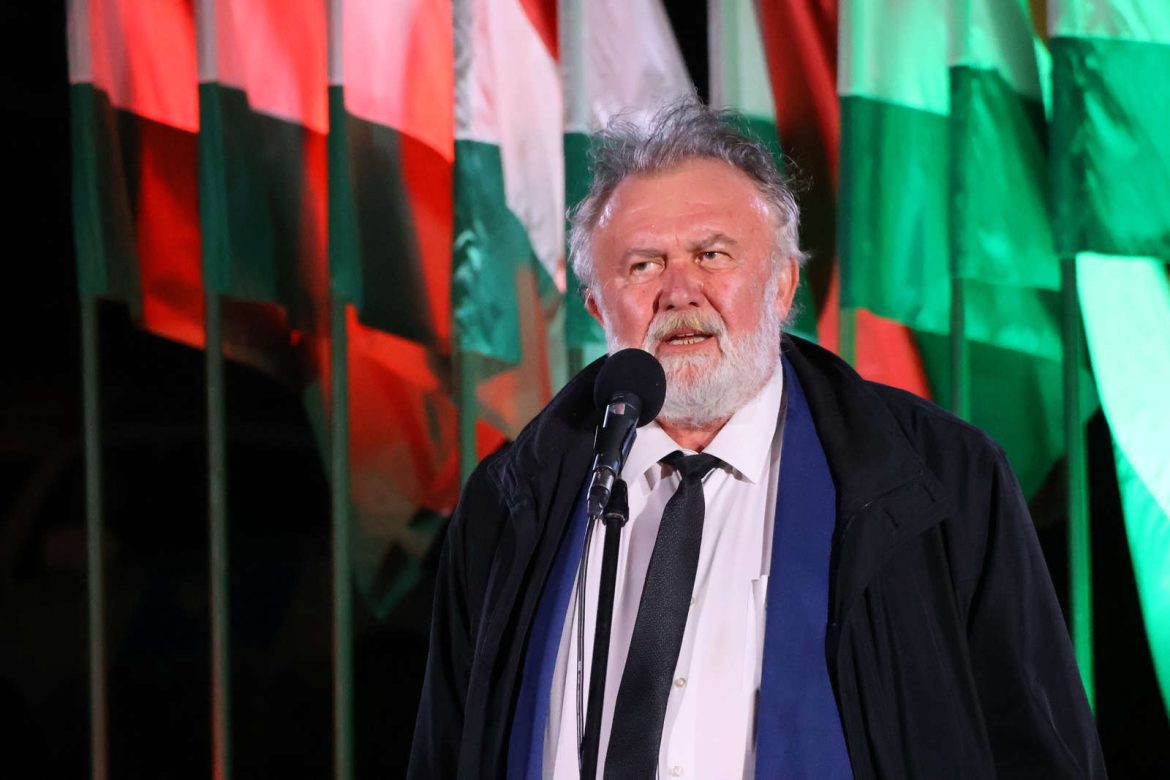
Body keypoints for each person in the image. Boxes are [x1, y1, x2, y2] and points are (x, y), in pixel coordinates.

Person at [409, 98, 1105, 779]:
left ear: (782, 286)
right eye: (643, 265)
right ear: (597, 308)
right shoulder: (510, 501)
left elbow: (1038, 751)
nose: (679, 292)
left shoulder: (944, 481)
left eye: (712, 255)